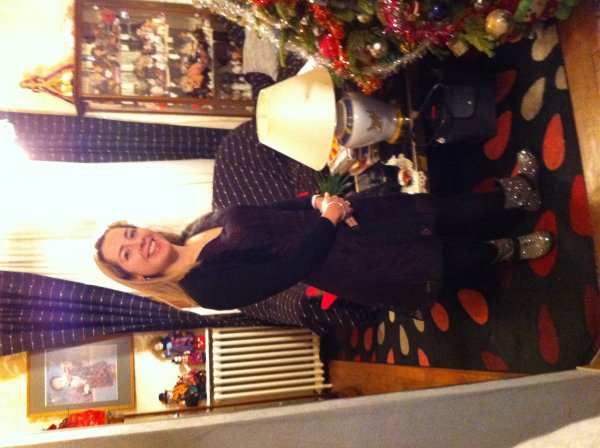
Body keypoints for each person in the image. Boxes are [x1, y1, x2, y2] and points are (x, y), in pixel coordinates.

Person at [94, 150, 553, 316]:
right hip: (344, 259)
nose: (138, 242)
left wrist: (315, 203)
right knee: (442, 257)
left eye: (130, 233)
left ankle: (514, 197)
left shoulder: (196, 227)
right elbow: (293, 268)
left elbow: (265, 212)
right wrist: (327, 219)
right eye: (127, 254)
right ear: (136, 277)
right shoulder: (205, 289)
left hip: (343, 219)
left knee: (433, 210)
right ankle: (510, 248)